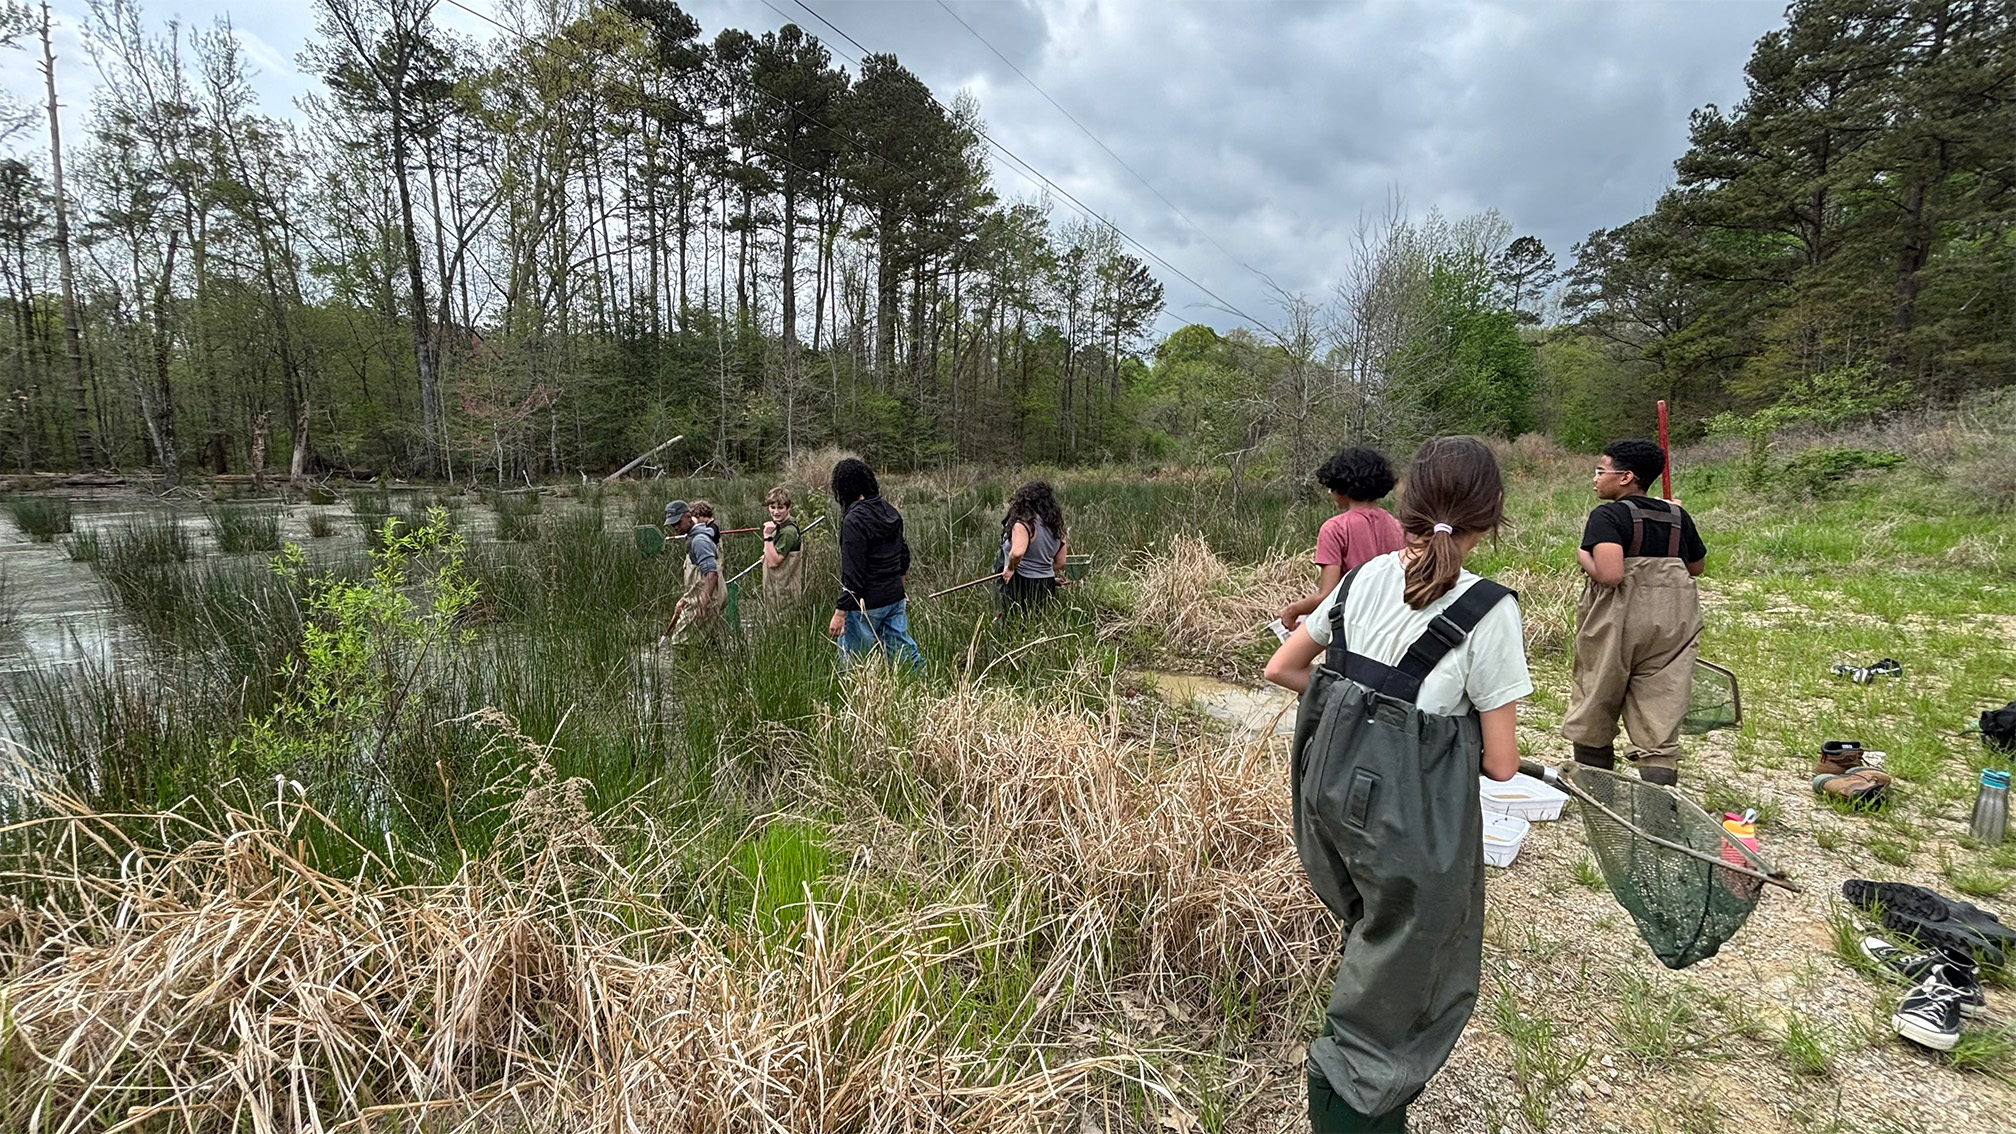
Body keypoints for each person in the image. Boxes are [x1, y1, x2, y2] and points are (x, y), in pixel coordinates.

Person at [1262, 436, 1530, 1133]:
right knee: (1400, 992)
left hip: (1326, 802)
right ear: (1491, 517)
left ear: (1408, 505)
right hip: (1404, 821)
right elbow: (1502, 765)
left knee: (1371, 928)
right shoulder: (1490, 610)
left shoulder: (1363, 578)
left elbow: (1284, 670)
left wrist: (1365, 717)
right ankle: (1351, 1102)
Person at [1562, 438, 1705, 787]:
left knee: (1597, 696)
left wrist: (1583, 556)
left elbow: (1611, 575)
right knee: (1661, 704)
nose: (1595, 478)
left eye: (1601, 470)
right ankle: (1658, 798)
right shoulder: (1676, 514)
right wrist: (1674, 516)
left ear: (1626, 477)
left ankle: (1598, 792)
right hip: (1674, 621)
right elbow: (1696, 566)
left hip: (1619, 619)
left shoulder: (1607, 515)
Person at [1280, 447, 1405, 631]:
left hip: (1353, 627)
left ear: (1343, 487)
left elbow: (1328, 595)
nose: (1330, 493)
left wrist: (1293, 610)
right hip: (1391, 624)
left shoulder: (1335, 529)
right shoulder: (1398, 526)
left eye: (1331, 487)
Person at [826, 458, 924, 670]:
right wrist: (898, 585)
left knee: (853, 662)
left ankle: (855, 697)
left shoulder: (853, 520)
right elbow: (903, 556)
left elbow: (853, 574)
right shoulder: (889, 511)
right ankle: (920, 687)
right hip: (894, 598)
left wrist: (840, 613)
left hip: (864, 604)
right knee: (904, 656)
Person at [996, 480, 1070, 617]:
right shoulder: (1055, 527)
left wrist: (1010, 568)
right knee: (1039, 625)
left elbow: (1017, 553)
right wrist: (1042, 574)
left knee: (1016, 626)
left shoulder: (1023, 526)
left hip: (1021, 585)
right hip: (1046, 584)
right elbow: (1060, 561)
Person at [659, 498, 724, 646]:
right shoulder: (693, 537)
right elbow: (696, 578)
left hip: (704, 601)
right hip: (696, 598)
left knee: (680, 643)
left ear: (688, 517)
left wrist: (703, 604)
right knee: (708, 644)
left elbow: (711, 574)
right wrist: (684, 599)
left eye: (678, 522)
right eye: (672, 524)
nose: (675, 527)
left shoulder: (699, 541)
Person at [760, 485, 806, 609]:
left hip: (784, 594)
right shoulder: (780, 527)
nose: (776, 512)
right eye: (772, 507)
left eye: (780, 508)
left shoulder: (788, 531)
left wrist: (767, 536)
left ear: (789, 507)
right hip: (775, 591)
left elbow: (774, 562)